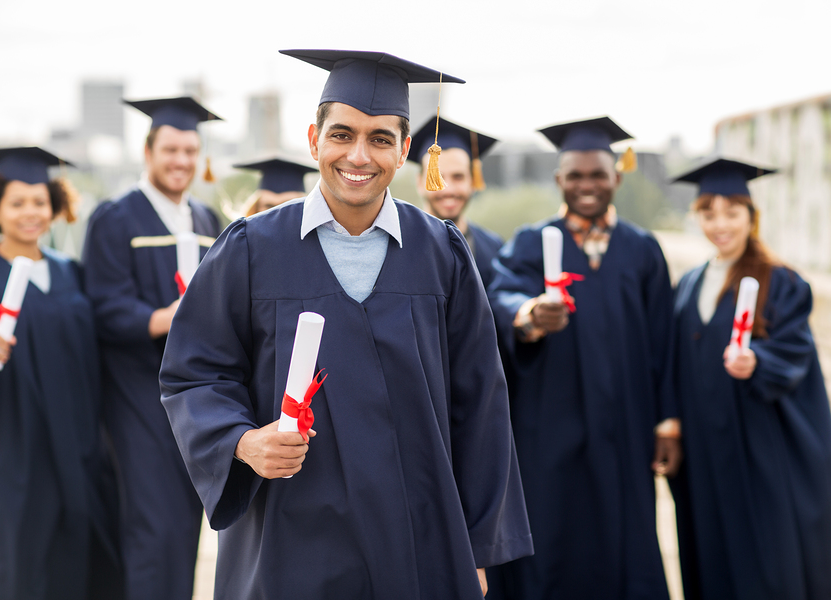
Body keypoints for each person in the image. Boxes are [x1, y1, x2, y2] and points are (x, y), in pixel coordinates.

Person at [159, 49, 533, 600]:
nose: (359, 155)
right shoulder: (250, 248)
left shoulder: (442, 255)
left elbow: (480, 404)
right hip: (289, 539)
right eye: (342, 134)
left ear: (405, 149)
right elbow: (193, 374)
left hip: (419, 536)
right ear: (314, 139)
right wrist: (241, 441)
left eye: (381, 138)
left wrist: (476, 547)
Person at [486, 116, 679, 600]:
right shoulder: (532, 242)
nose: (586, 185)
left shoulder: (642, 249)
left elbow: (663, 339)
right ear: (559, 180)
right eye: (575, 175)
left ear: (617, 176)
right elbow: (500, 297)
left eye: (598, 174)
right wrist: (529, 315)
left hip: (626, 427)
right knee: (556, 537)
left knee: (626, 534)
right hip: (552, 426)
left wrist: (667, 423)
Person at [0, 147, 122, 600]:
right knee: (10, 572)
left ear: (54, 206)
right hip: (6, 459)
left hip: (72, 453)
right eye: (17, 203)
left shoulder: (72, 274)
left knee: (73, 565)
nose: (30, 212)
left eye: (39, 201)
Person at [668, 158, 831, 600]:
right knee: (713, 555)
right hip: (706, 449)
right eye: (708, 212)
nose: (720, 224)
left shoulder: (781, 281)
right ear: (696, 215)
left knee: (766, 563)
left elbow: (796, 350)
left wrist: (757, 361)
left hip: (758, 447)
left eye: (732, 212)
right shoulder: (689, 284)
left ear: (751, 216)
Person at [82, 96, 223, 600]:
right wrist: (168, 317)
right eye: (170, 149)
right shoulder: (116, 218)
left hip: (196, 401)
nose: (181, 161)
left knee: (184, 526)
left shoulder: (208, 219)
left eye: (190, 150)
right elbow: (101, 305)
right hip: (137, 397)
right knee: (152, 528)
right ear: (148, 151)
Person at [408, 115, 502, 288]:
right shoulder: (400, 245)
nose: (448, 189)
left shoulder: (494, 248)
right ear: (420, 182)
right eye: (436, 176)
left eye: (458, 177)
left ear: (473, 181)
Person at [235, 155, 318, 216]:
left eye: (288, 206)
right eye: (269, 206)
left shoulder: (320, 238)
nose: (277, 214)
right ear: (255, 209)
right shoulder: (242, 238)